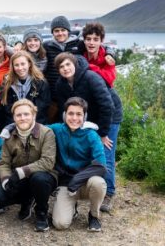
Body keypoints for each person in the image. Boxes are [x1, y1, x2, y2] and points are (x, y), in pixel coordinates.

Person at [0, 99, 57, 232]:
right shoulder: (8, 135)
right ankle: (26, 200)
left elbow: (48, 162)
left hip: (43, 175)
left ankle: (41, 213)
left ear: (34, 115)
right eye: (18, 115)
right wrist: (5, 179)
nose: (22, 118)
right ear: (14, 117)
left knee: (39, 179)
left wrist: (21, 172)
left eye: (26, 114)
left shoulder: (46, 133)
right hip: (19, 178)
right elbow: (4, 162)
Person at [82, 22, 123, 212]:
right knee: (91, 151)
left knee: (106, 152)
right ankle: (91, 187)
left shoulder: (107, 59)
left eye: (95, 40)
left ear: (101, 41)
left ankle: (110, 193)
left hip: (110, 111)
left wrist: (89, 68)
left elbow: (109, 80)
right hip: (92, 111)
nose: (91, 43)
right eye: (88, 39)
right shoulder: (80, 54)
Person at [50, 97, 107, 232]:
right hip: (66, 184)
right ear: (64, 115)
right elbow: (35, 127)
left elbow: (101, 165)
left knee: (99, 183)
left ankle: (94, 215)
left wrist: (77, 179)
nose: (74, 118)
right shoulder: (57, 129)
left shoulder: (91, 135)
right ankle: (72, 208)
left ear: (84, 116)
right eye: (70, 113)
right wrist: (11, 127)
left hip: (86, 183)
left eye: (79, 114)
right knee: (60, 224)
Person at [43, 15, 115, 123]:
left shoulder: (78, 44)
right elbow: (32, 51)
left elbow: (99, 46)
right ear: (52, 33)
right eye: (56, 31)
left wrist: (110, 53)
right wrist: (19, 43)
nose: (60, 33)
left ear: (68, 31)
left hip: (73, 93)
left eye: (63, 30)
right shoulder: (46, 46)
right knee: (57, 128)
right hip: (53, 95)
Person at [54, 52, 114, 143]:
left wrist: (102, 133)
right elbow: (63, 109)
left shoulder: (91, 77)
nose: (65, 68)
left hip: (108, 117)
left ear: (74, 64)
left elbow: (107, 105)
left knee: (104, 151)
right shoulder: (60, 84)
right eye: (61, 67)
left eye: (68, 64)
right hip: (85, 119)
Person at [0, 51, 51, 125]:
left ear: (29, 64)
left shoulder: (40, 82)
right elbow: (6, 105)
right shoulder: (7, 82)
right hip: (13, 121)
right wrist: (18, 119)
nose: (20, 68)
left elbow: (43, 106)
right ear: (12, 67)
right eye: (16, 65)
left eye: (23, 64)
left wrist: (27, 119)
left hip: (37, 121)